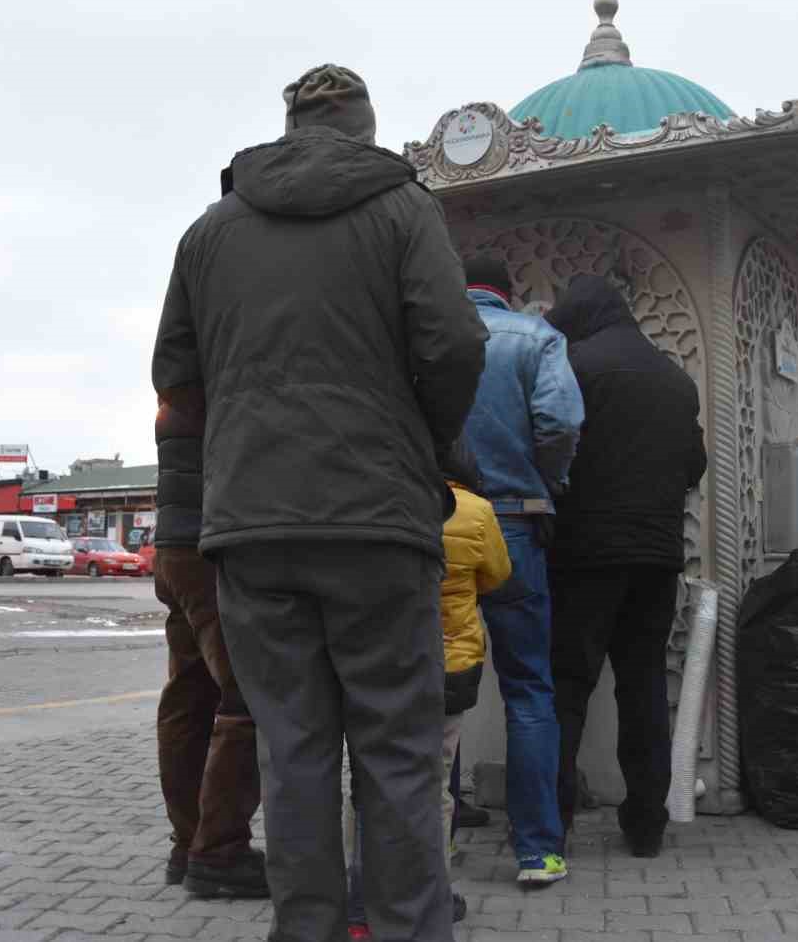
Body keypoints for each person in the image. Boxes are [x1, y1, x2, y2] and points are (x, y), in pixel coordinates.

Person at [151, 64, 488, 941]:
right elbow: (452, 343)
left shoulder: (208, 233)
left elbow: (174, 378)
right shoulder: (405, 208)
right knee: (398, 754)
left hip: (252, 528)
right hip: (378, 522)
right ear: (366, 131)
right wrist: (428, 442)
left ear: (290, 127)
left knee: (290, 750)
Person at [544, 275, 707, 858]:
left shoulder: (572, 367)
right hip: (656, 557)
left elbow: (550, 447)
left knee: (567, 688)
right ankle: (645, 826)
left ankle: (550, 824)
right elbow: (695, 465)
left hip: (585, 555)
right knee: (641, 689)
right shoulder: (675, 379)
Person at [344, 439, 511, 939]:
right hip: (449, 665)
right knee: (434, 785)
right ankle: (431, 893)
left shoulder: (373, 497)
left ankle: (358, 904)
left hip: (377, 661)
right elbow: (499, 576)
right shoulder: (477, 511)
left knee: (367, 783)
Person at [460, 255, 584, 884]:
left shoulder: (425, 334)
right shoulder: (537, 337)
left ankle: (434, 829)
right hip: (513, 520)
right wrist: (547, 482)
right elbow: (561, 421)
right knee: (529, 689)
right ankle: (538, 850)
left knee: (431, 684)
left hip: (439, 523)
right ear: (507, 294)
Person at [152, 386, 264, 897]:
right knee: (248, 700)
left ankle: (189, 842)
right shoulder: (227, 379)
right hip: (215, 548)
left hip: (174, 546)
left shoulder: (176, 391)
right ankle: (218, 854)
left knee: (189, 696)